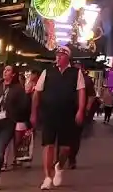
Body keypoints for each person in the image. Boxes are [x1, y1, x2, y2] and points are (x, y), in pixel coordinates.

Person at [31, 45, 87, 190]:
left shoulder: (76, 73)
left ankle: (59, 165)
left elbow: (81, 92)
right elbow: (37, 92)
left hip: (68, 114)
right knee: (48, 145)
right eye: (57, 55)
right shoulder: (48, 72)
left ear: (67, 57)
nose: (58, 57)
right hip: (49, 113)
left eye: (61, 55)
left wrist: (81, 110)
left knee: (65, 148)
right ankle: (47, 177)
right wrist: (34, 112)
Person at [0, 65, 27, 188]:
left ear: (13, 74)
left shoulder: (18, 89)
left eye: (8, 70)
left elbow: (23, 106)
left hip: (7, 124)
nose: (5, 72)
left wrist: (14, 115)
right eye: (4, 70)